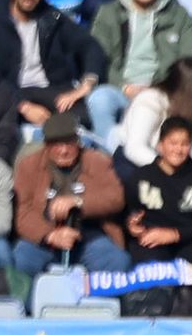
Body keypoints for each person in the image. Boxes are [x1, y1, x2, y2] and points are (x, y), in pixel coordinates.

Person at [87, 0, 192, 149]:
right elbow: (97, 58)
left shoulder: (179, 16)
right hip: (120, 89)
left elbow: (190, 60)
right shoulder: (107, 13)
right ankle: (111, 158)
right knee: (99, 99)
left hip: (163, 91)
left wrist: (160, 88)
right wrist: (124, 87)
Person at [12, 111, 132, 278]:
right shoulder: (28, 165)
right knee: (21, 259)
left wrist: (78, 201)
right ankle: (31, 303)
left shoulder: (97, 161)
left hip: (88, 235)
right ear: (46, 145)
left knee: (118, 261)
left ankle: (98, 303)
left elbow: (116, 198)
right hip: (44, 234)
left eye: (69, 143)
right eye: (57, 145)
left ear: (78, 142)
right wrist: (50, 235)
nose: (64, 151)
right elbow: (22, 212)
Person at [0, 0, 106, 130]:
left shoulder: (52, 18)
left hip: (52, 90)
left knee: (85, 120)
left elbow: (89, 46)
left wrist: (86, 84)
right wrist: (23, 106)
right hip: (11, 92)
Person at [123, 115, 192, 263]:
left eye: (184, 144)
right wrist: (131, 227)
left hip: (189, 243)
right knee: (151, 268)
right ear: (160, 145)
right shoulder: (141, 177)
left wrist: (175, 234)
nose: (178, 150)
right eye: (173, 143)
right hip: (151, 243)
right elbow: (126, 213)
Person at [116, 56, 192, 173]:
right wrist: (165, 168)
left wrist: (188, 169)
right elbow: (135, 148)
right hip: (136, 164)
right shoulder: (150, 100)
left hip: (181, 167)